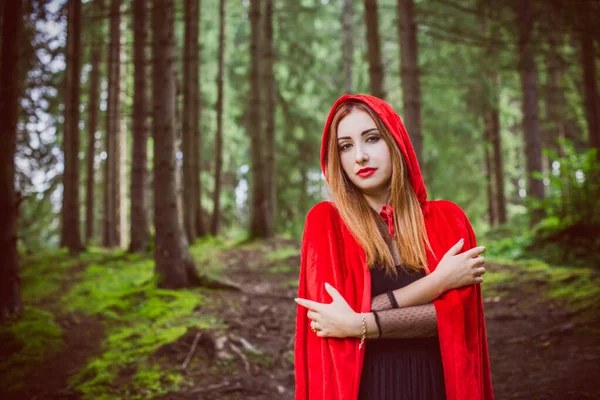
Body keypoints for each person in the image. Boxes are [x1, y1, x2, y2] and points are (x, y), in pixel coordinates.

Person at [293, 94, 494, 400]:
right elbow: (331, 320)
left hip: (434, 385)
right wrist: (438, 282)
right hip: (365, 387)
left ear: (395, 141)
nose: (359, 156)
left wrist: (357, 323)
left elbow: (454, 319)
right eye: (346, 146)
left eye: (371, 138)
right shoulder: (327, 224)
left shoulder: (447, 220)